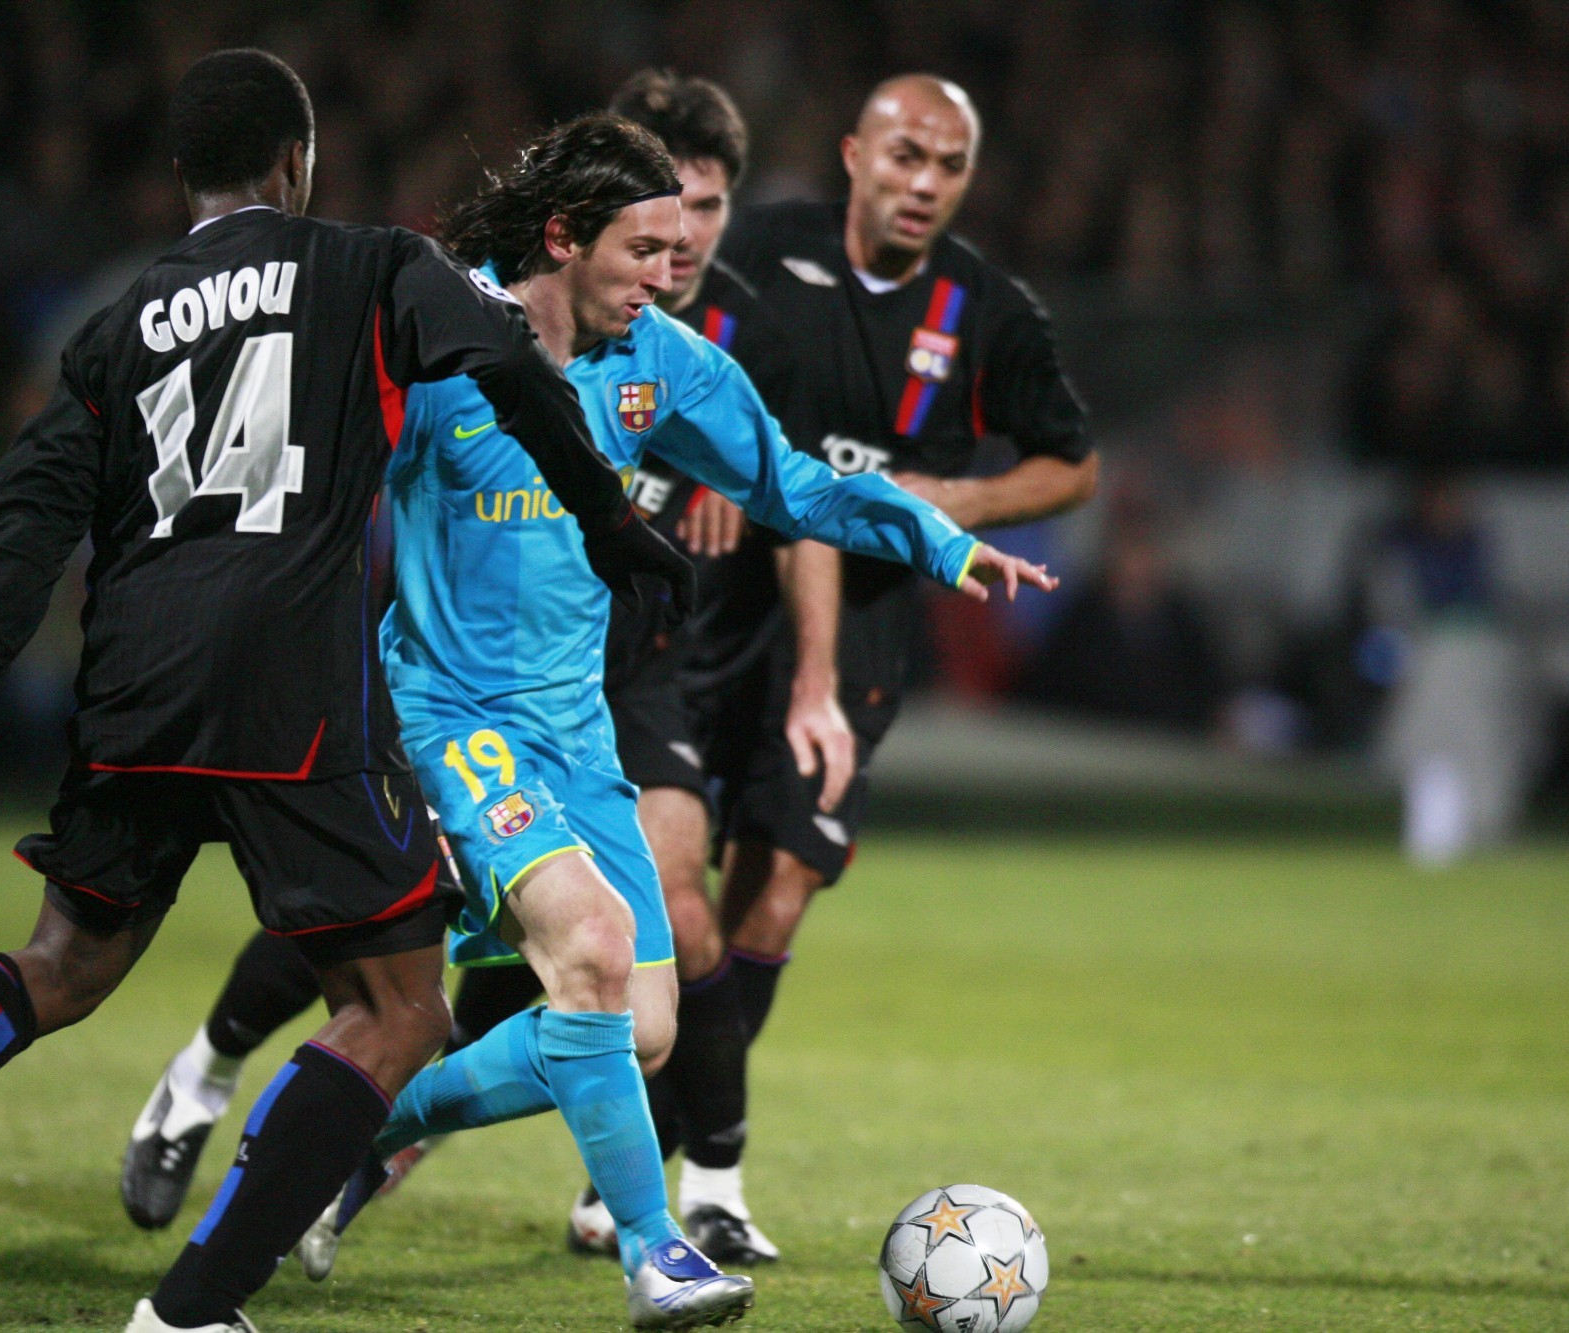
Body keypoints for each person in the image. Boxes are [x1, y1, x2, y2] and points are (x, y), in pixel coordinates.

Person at [0, 49, 688, 1333]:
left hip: (135, 685)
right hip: (288, 687)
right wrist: (607, 518)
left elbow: (19, 529)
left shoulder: (116, 325)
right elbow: (505, 356)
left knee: (61, 962)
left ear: (185, 178)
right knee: (397, 1008)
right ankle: (193, 1307)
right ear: (297, 161)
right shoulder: (368, 263)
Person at [273, 112, 1052, 1330]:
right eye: (642, 247)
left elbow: (790, 482)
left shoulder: (663, 364)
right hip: (450, 715)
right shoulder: (442, 340)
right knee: (586, 950)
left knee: (634, 1027)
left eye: (681, 242)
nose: (667, 269)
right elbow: (317, 494)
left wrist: (943, 541)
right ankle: (656, 1251)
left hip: (576, 733)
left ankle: (349, 1136)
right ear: (563, 237)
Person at [116, 70, 834, 1271]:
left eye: (707, 209)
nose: (684, 238)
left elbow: (784, 479)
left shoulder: (717, 332)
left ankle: (381, 1148)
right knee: (398, 947)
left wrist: (794, 628)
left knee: (617, 974)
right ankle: (211, 1072)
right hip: (455, 674)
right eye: (661, 211)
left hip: (615, 671)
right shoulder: (486, 317)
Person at [680, 73, 1100, 1238]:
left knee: (776, 889)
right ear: (853, 151)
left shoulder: (988, 310)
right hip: (714, 594)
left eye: (948, 167)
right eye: (905, 155)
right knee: (666, 892)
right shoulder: (759, 250)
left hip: (860, 619)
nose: (923, 184)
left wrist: (955, 495)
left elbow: (1072, 466)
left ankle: (693, 1175)